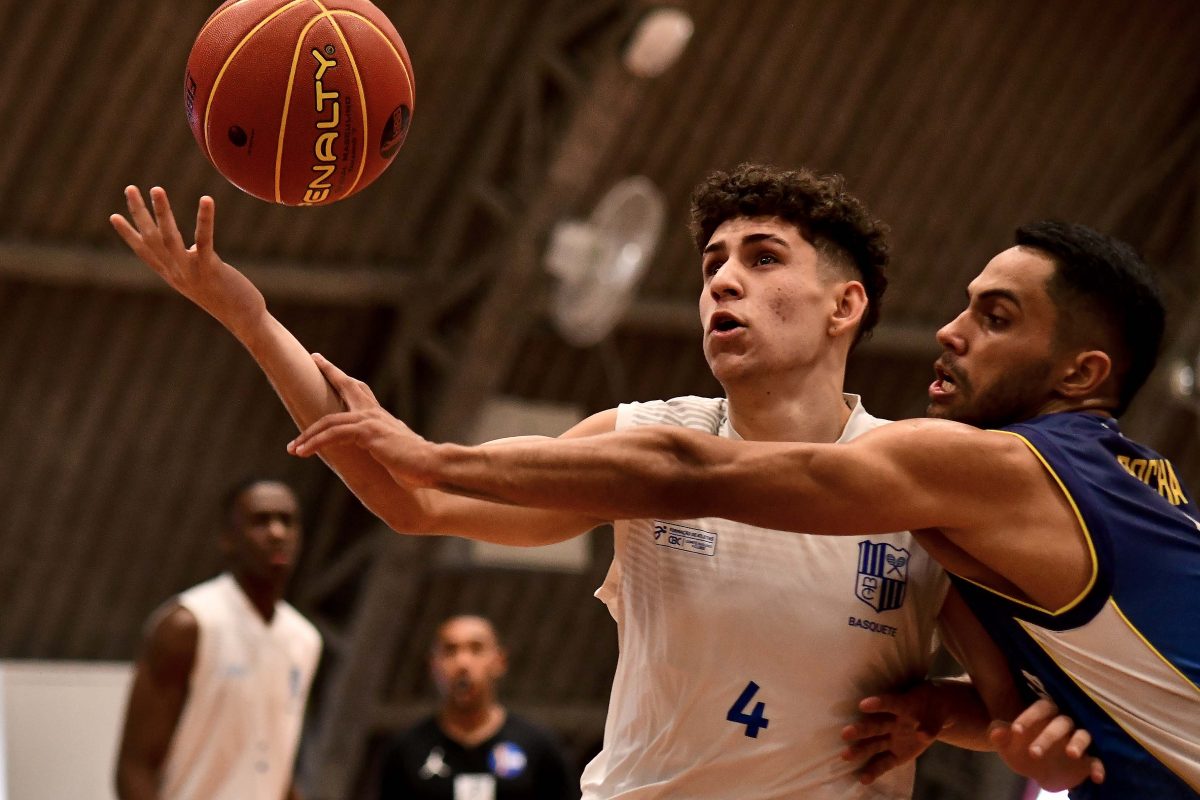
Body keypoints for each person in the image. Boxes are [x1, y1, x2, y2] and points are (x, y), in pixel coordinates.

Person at [110, 168, 1096, 798]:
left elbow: (1013, 709)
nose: (723, 281)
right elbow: (415, 501)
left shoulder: (916, 477)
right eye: (712, 264)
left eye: (762, 259)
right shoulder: (644, 437)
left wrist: (939, 714)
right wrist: (250, 319)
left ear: (846, 305)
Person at [287, 221, 1198, 798]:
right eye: (712, 264)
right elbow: (1010, 709)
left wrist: (437, 452)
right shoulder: (1127, 487)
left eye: (995, 318)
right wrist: (944, 713)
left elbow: (685, 471)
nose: (951, 331)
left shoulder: (973, 470)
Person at [114, 478, 323, 800]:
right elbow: (135, 768)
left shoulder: (305, 639)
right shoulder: (187, 626)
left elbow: (272, 765)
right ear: (228, 538)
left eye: (287, 521)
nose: (277, 533)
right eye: (261, 521)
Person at [378, 615, 576, 799]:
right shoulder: (406, 751)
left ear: (499, 661)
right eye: (450, 650)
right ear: (434, 664)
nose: (462, 663)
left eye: (476, 649)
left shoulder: (538, 746)